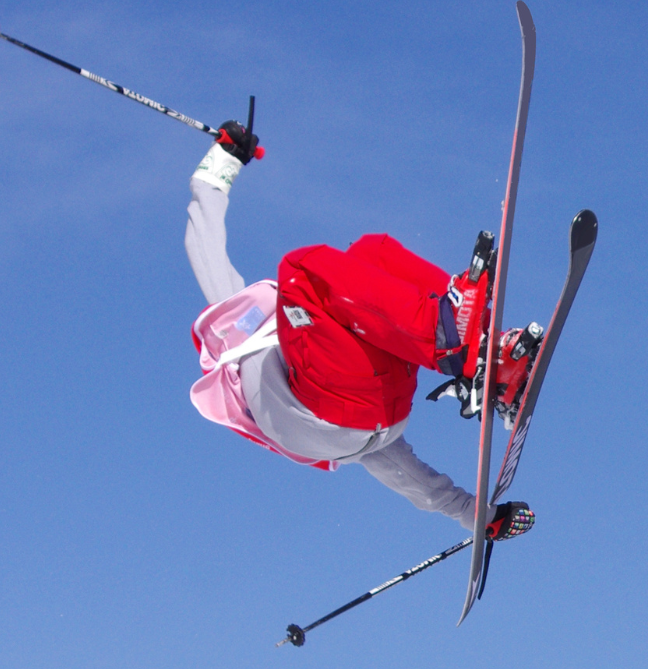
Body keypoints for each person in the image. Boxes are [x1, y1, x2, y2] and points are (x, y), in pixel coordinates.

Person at [181, 120, 535, 541]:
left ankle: (485, 357)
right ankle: (449, 338)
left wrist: (476, 515)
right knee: (300, 268)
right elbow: (202, 238)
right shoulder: (237, 330)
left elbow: (381, 454)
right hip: (324, 411)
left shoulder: (327, 335)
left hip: (373, 412)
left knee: (370, 250)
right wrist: (221, 158)